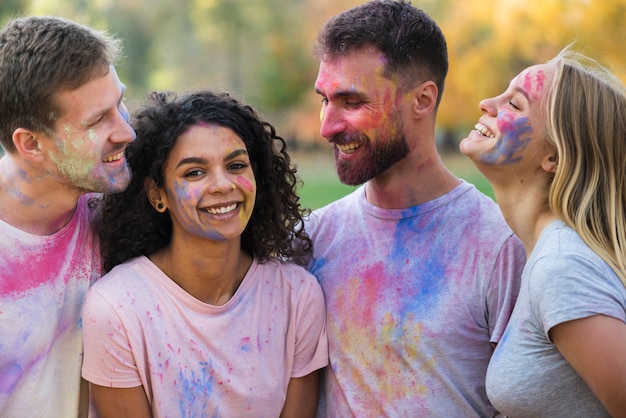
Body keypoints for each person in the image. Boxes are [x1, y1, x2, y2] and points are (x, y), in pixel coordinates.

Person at [305, 0, 526, 416]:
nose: (327, 126)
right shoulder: (313, 239)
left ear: (422, 100)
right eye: (324, 100)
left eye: (351, 102)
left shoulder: (499, 246)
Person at [81, 90, 328, 417]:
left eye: (236, 165)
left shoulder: (297, 296)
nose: (223, 185)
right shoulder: (117, 307)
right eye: (195, 172)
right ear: (158, 195)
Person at [460, 47, 626, 417]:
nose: (487, 103)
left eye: (515, 105)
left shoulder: (562, 268)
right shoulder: (547, 255)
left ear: (554, 157)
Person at [0, 16, 135, 417]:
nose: (126, 131)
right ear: (31, 144)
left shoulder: (114, 212)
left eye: (119, 102)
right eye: (97, 120)